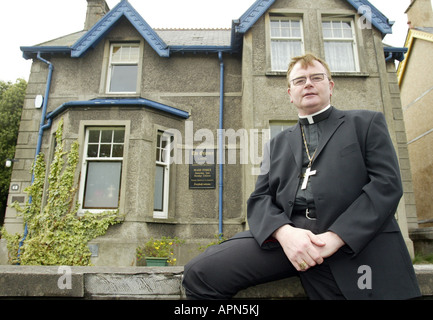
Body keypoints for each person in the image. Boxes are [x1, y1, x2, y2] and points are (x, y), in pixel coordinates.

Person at [182, 53, 421, 300]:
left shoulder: (366, 123)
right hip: (290, 240)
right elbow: (260, 198)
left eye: (316, 77)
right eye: (299, 80)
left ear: (330, 86)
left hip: (356, 242)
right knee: (199, 274)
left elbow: (387, 185)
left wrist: (336, 237)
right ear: (290, 94)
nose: (308, 83)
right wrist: (286, 234)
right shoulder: (276, 144)